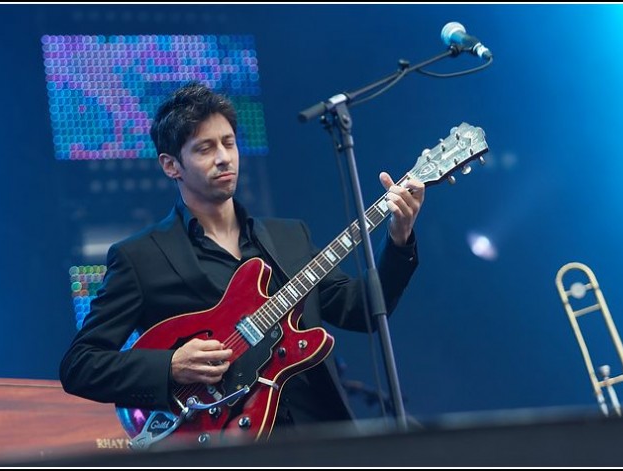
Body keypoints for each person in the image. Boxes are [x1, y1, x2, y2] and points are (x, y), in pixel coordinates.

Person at [59, 81, 425, 443]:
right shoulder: (140, 257)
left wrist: (398, 238)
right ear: (171, 165)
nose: (223, 158)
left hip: (318, 435)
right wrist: (170, 367)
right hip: (221, 443)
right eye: (204, 149)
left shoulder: (289, 237)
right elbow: (81, 365)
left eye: (229, 143)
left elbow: (360, 311)